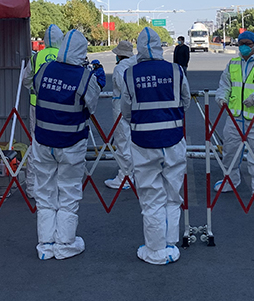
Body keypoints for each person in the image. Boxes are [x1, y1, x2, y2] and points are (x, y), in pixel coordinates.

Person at [31, 29, 104, 260]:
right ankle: (65, 244)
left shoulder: (44, 69)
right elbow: (92, 106)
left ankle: (45, 246)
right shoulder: (84, 77)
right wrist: (97, 81)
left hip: (43, 142)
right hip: (71, 143)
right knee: (69, 193)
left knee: (44, 193)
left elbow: (32, 86)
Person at [122, 27, 191, 265]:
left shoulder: (130, 74)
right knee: (172, 195)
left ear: (139, 48)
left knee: (151, 198)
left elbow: (126, 110)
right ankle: (170, 244)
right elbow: (185, 101)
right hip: (173, 139)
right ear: (160, 47)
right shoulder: (176, 70)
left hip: (143, 143)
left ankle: (154, 250)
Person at [214, 31, 254, 202]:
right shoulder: (233, 63)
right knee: (230, 151)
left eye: (247, 44)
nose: (244, 47)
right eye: (241, 43)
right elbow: (225, 85)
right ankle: (230, 180)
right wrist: (221, 97)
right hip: (234, 116)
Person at [22, 24, 64, 198]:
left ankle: (32, 187)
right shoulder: (63, 56)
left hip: (37, 106)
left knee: (37, 145)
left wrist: (36, 90)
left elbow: (26, 80)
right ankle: (57, 186)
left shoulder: (36, 57)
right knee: (60, 145)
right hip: (60, 107)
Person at [105, 40, 138, 190]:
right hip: (136, 107)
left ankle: (125, 177)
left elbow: (122, 88)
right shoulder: (136, 65)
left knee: (123, 142)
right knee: (133, 142)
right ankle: (134, 174)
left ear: (119, 55)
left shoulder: (120, 68)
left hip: (121, 107)